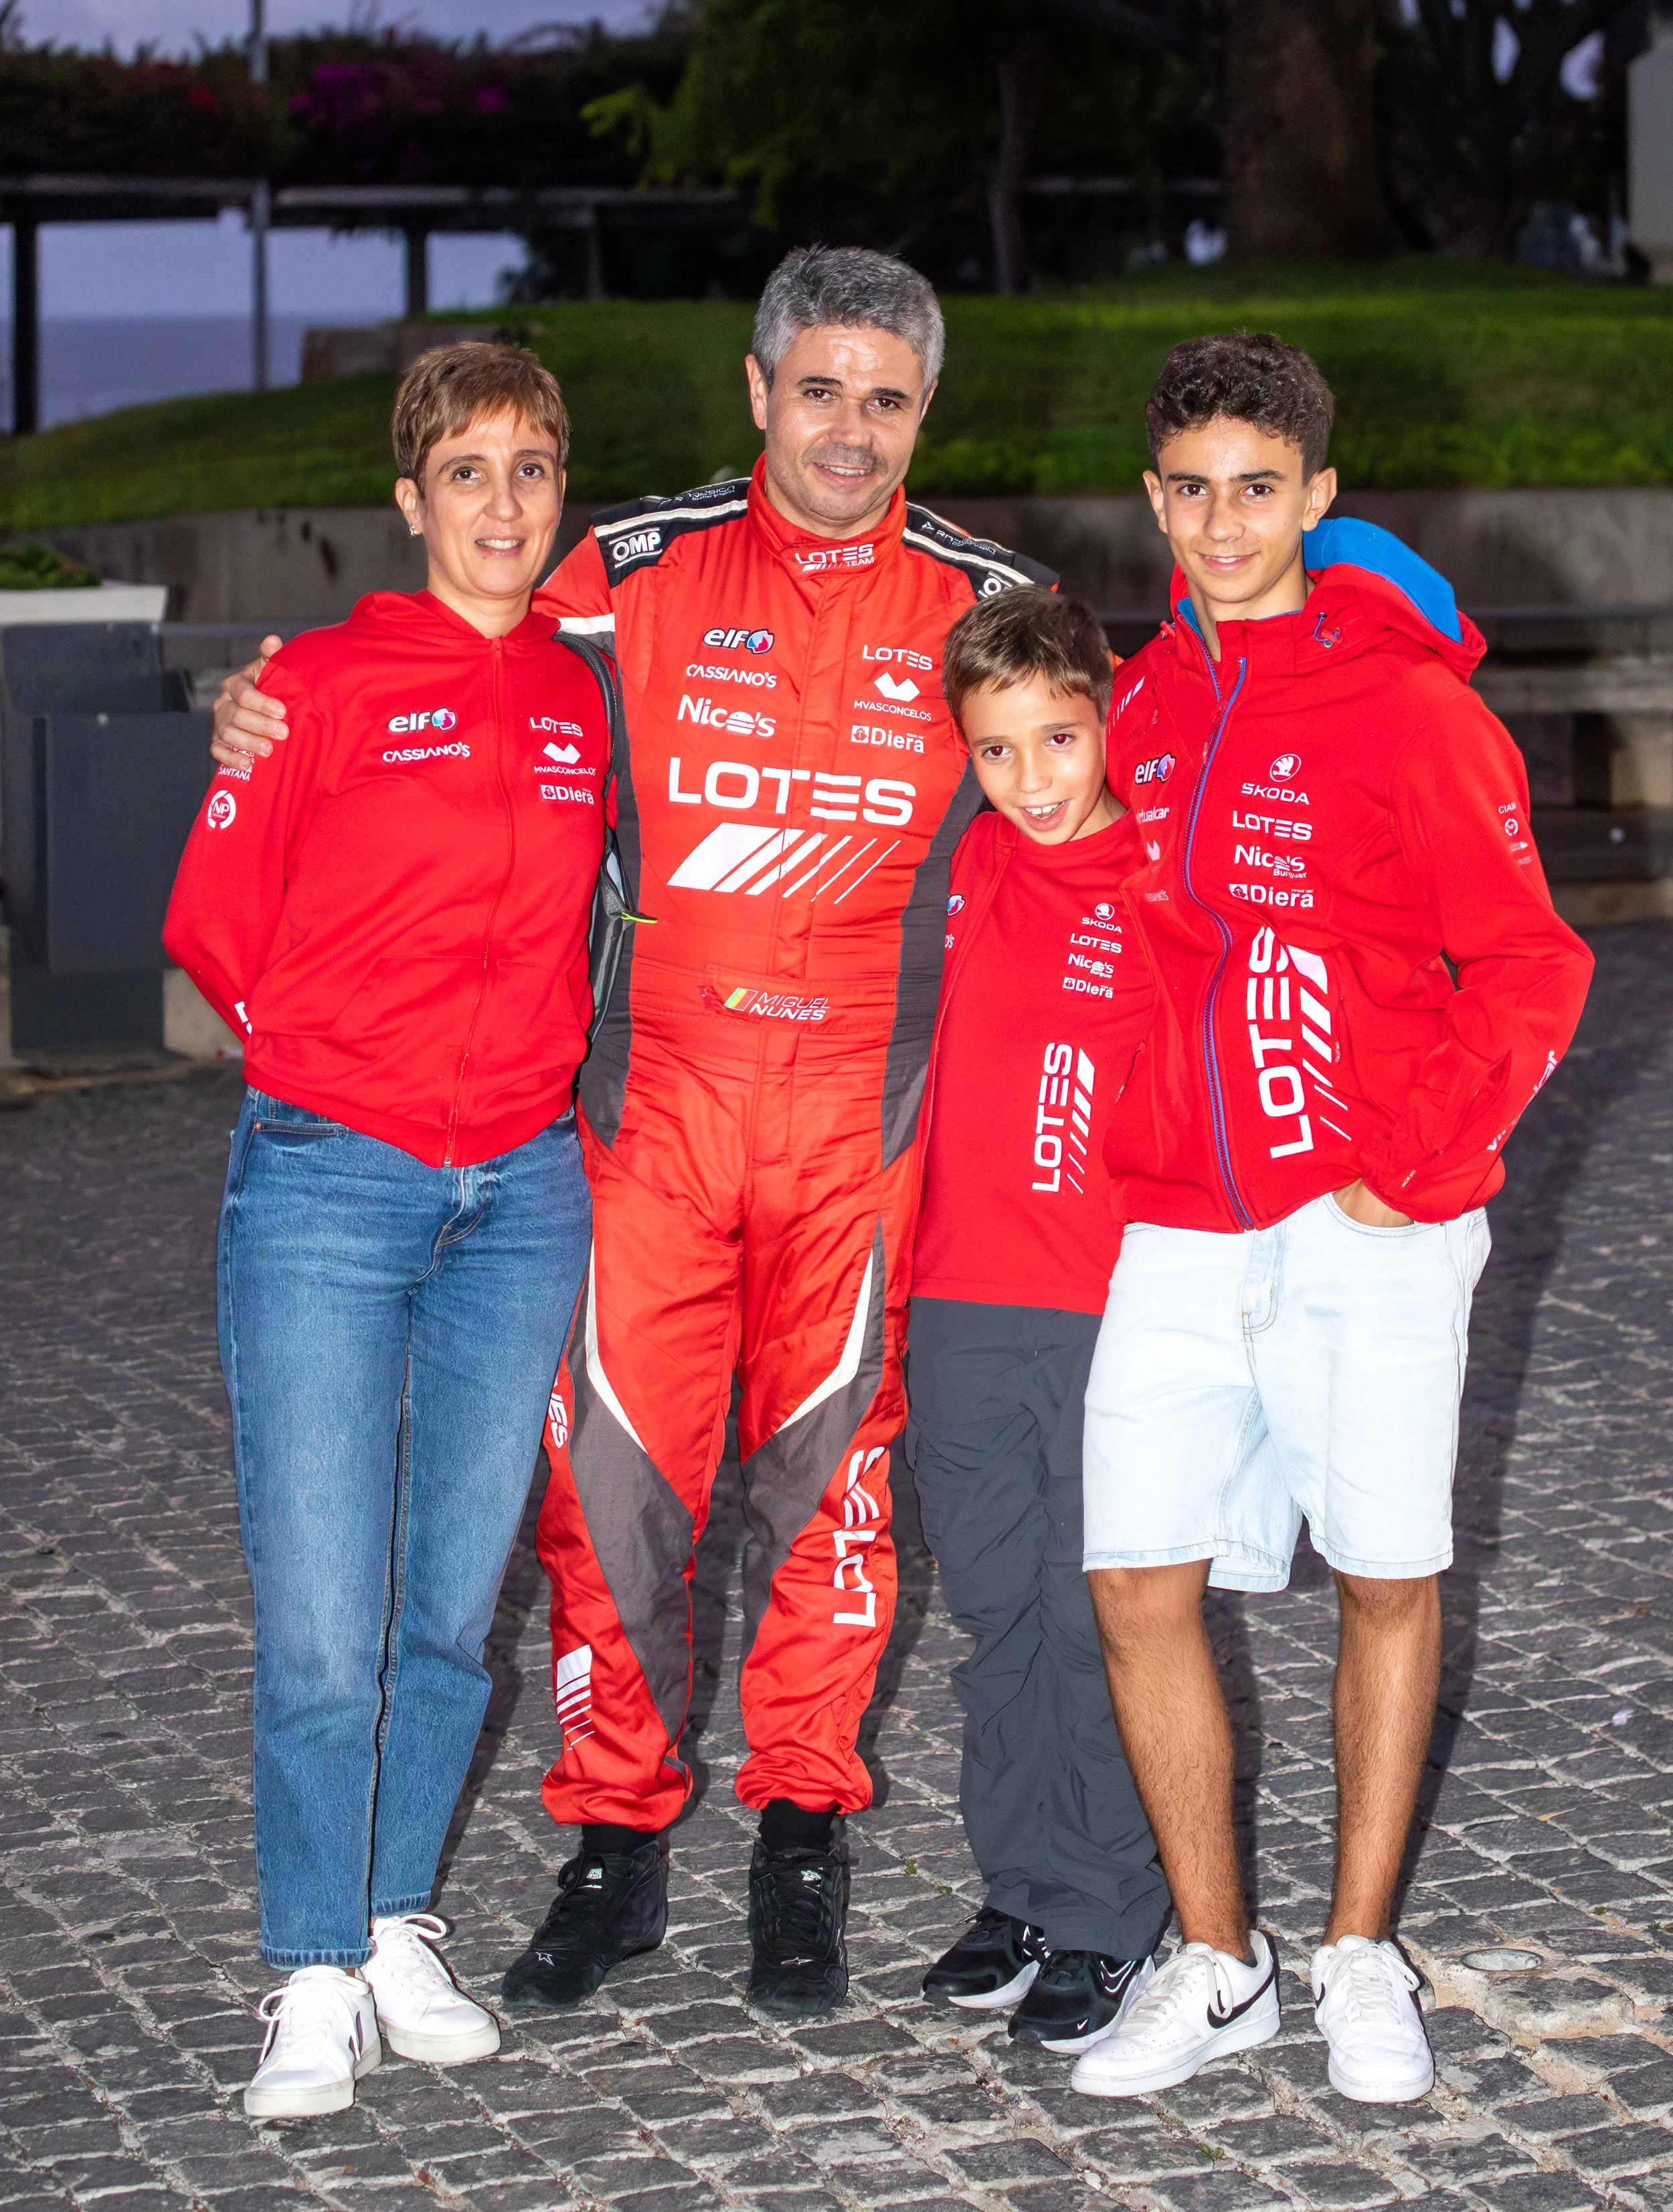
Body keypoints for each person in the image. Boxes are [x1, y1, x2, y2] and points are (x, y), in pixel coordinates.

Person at [207, 246, 1055, 2022]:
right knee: (609, 1506)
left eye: (884, 397)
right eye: (814, 389)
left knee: (835, 1498)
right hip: (644, 1123)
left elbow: (1099, 788)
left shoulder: (991, 601)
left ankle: (803, 1825)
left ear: (923, 412)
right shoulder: (627, 573)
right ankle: (615, 1837)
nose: (847, 429)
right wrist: (264, 709)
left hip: (858, 1135)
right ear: (756, 392)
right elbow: (469, 626)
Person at [1066, 334, 1594, 2104]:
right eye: (1192, 489)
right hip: (1179, 1219)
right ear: (1155, 500)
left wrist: (1420, 1163)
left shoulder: (1405, 708)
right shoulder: (1136, 701)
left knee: (1386, 1573)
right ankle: (1216, 1960)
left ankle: (1358, 1949)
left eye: (1258, 488)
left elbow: (1529, 966)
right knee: (1134, 1575)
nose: (1223, 522)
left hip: (1368, 1221)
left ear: (1317, 498)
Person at [166, 343, 605, 2117]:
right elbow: (212, 916)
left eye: (533, 468)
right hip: (332, 1184)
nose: (505, 504)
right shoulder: (317, 686)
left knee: (448, 1607)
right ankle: (311, 1966)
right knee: (325, 1620)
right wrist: (337, 1076)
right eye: (469, 472)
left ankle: (398, 1909)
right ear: (410, 500)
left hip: (523, 1195)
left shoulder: (591, 701)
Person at [907, 588, 1171, 2053]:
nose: (1031, 779)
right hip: (960, 1297)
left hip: (1105, 1308)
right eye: (996, 752)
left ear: (1104, 718)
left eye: (1057, 739)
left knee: (1092, 1621)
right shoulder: (962, 865)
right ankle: (1018, 1888)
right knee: (995, 1611)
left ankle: (1111, 1904)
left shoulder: (1157, 873)